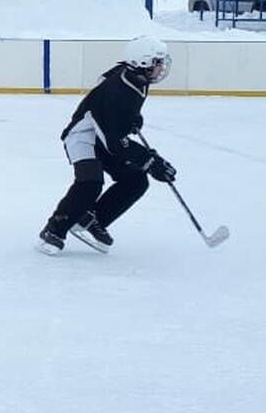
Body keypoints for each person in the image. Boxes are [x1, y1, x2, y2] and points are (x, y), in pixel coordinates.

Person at [38, 36, 176, 255]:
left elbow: (106, 86)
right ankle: (54, 229)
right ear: (143, 62)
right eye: (158, 62)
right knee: (90, 182)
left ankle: (93, 219)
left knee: (136, 181)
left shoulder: (135, 77)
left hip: (106, 135)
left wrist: (131, 118)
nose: (161, 67)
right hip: (84, 135)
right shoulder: (119, 90)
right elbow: (115, 143)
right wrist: (150, 160)